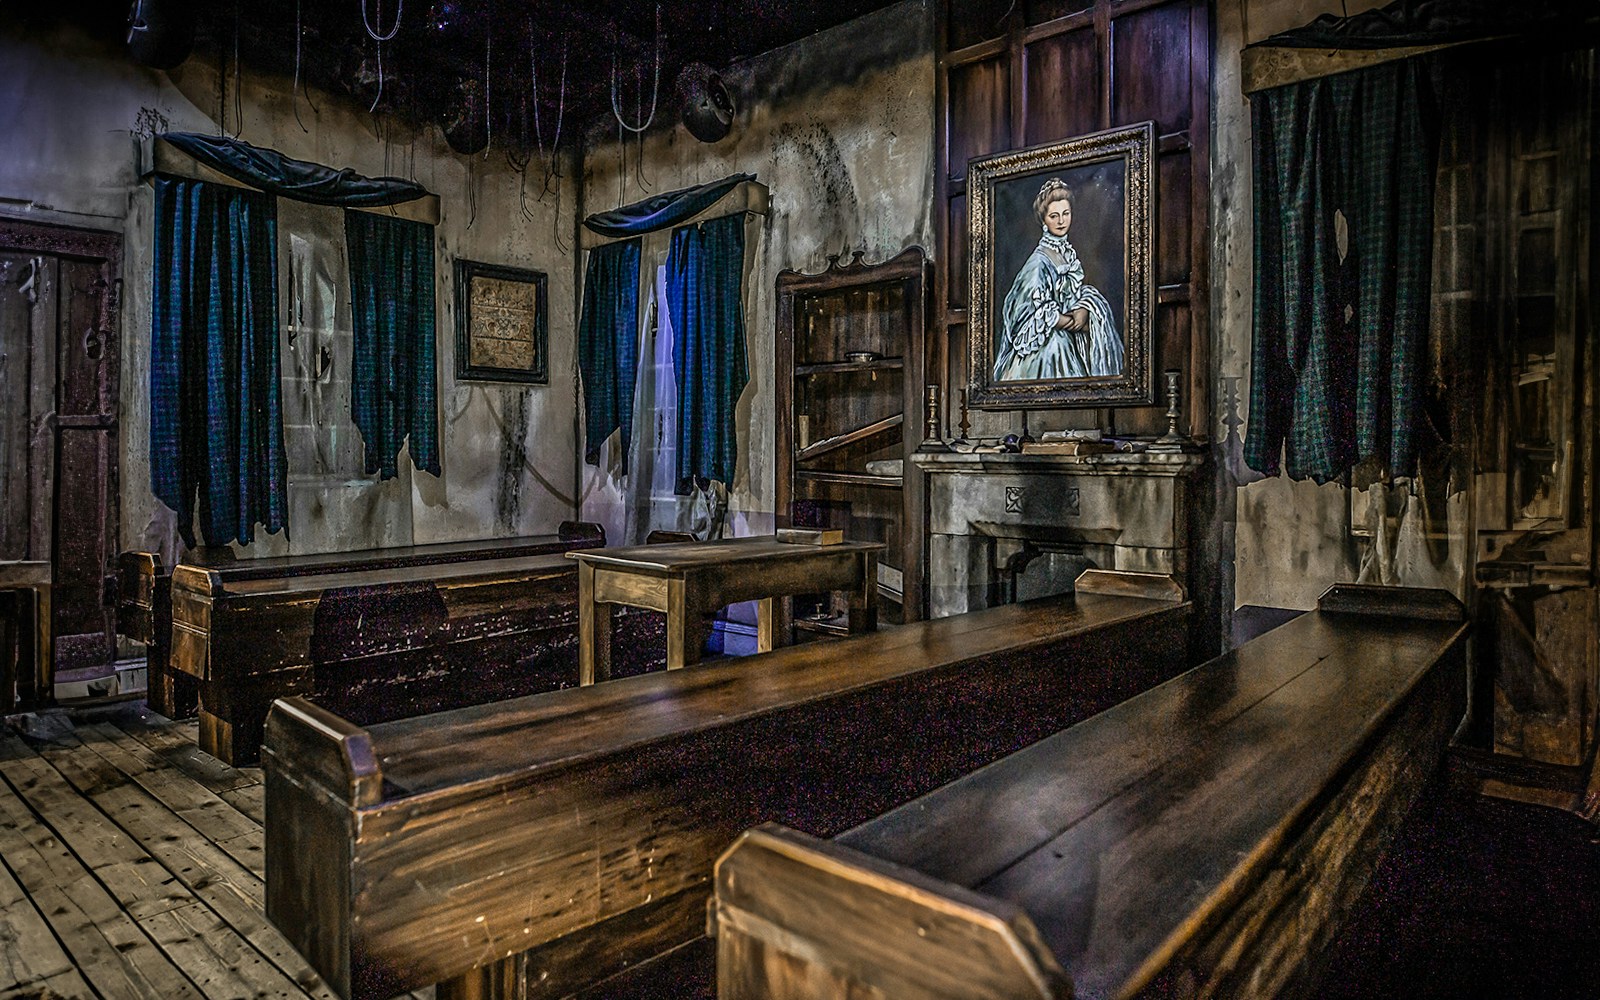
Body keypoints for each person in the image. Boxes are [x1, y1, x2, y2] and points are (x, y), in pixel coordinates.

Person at [994, 178, 1123, 381]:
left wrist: (1084, 310)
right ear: (1044, 220)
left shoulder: (1066, 253)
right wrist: (1071, 322)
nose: (1061, 221)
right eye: (1054, 216)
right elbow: (1027, 309)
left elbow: (1072, 294)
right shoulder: (1038, 262)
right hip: (1047, 347)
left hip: (1067, 337)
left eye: (1066, 214)